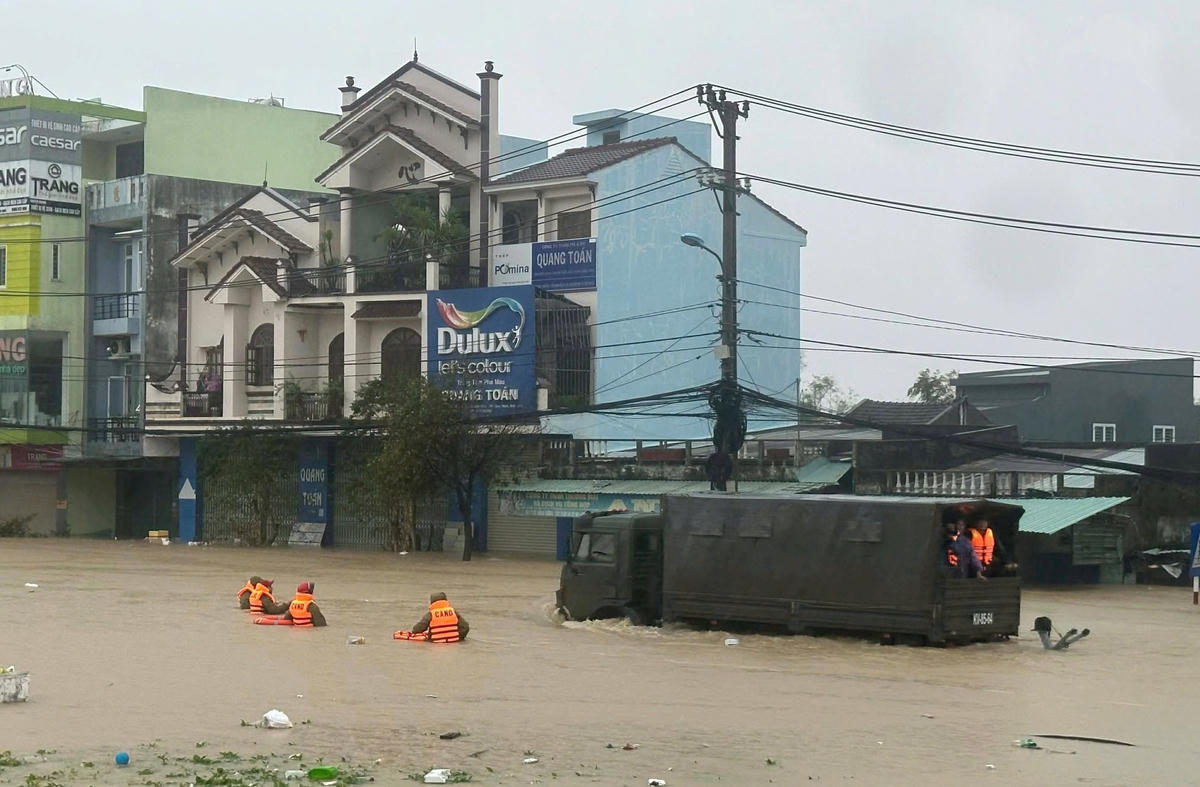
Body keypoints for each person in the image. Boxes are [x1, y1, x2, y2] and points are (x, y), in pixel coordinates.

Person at [395, 592, 469, 643]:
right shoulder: (453, 612)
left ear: (432, 602)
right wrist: (458, 637)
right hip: (454, 640)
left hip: (435, 641)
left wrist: (415, 632)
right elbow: (465, 627)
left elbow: (418, 629)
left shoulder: (431, 614)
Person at [942, 512, 984, 580]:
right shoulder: (943, 538)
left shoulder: (966, 541)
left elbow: (973, 556)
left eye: (962, 525)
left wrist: (978, 572)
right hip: (946, 573)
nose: (960, 527)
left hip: (962, 573)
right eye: (958, 524)